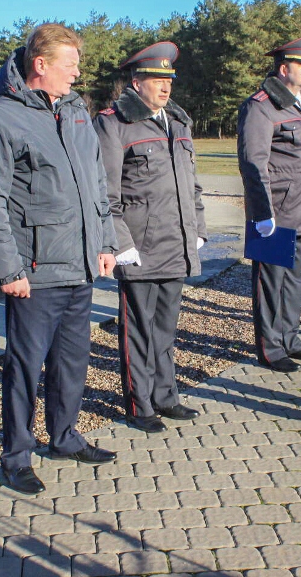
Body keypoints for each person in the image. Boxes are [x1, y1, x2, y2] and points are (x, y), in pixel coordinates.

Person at [0, 23, 118, 495]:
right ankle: (15, 454)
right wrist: (7, 268)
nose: (77, 74)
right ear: (41, 65)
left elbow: (97, 185)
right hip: (33, 271)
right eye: (69, 64)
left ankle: (65, 437)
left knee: (73, 361)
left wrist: (107, 242)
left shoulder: (76, 113)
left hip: (80, 264)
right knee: (24, 367)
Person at [93, 42, 207, 434]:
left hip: (176, 244)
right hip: (139, 247)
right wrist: (120, 243)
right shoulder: (114, 123)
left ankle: (166, 395)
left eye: (169, 79)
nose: (165, 87)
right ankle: (140, 404)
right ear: (136, 81)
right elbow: (106, 192)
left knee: (165, 328)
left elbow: (191, 185)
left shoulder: (177, 122)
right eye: (157, 79)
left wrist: (199, 230)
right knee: (139, 330)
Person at [237, 36, 301, 374]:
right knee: (271, 283)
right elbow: (252, 162)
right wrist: (262, 212)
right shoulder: (262, 106)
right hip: (275, 213)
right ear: (284, 68)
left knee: (294, 280)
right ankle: (270, 347)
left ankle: (290, 337)